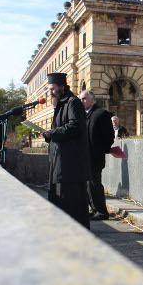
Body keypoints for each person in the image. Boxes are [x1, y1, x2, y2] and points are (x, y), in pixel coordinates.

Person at [42, 73, 90, 229]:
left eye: (53, 89)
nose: (50, 92)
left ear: (62, 87)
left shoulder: (73, 102)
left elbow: (75, 127)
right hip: (59, 161)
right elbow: (60, 130)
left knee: (72, 203)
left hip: (70, 164)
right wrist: (49, 136)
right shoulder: (60, 104)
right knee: (59, 200)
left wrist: (53, 133)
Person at [80, 90, 115, 221]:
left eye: (84, 99)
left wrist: (102, 150)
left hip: (95, 156)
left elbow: (109, 137)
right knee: (88, 185)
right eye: (81, 99)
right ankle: (94, 209)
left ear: (92, 99)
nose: (82, 101)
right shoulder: (84, 115)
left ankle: (101, 211)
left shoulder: (101, 114)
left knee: (95, 184)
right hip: (84, 156)